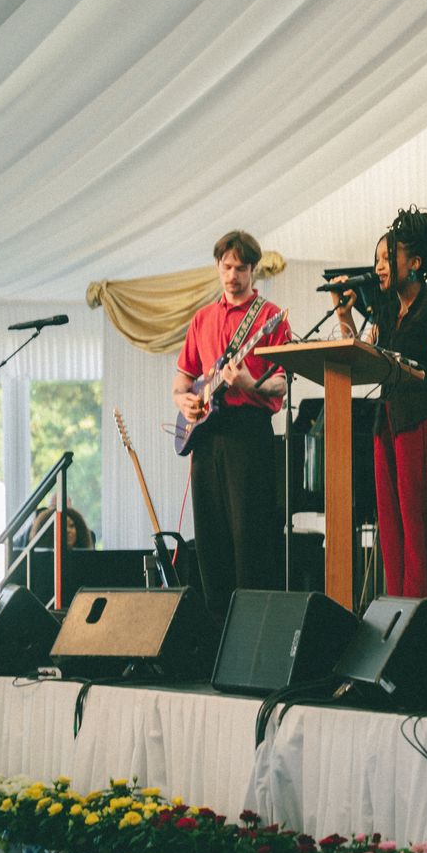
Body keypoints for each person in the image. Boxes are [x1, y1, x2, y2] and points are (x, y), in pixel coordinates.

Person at [330, 207, 427, 624]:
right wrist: (344, 317)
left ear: (413, 263)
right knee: (394, 538)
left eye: (387, 258)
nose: (378, 267)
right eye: (377, 258)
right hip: (390, 427)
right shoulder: (386, 314)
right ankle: (400, 625)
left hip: (425, 429)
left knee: (423, 539)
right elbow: (363, 360)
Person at [174, 230, 293, 618]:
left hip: (249, 432)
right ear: (217, 266)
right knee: (210, 538)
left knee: (250, 536)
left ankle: (253, 628)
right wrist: (184, 401)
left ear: (253, 269)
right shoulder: (202, 318)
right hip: (207, 436)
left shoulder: (270, 317)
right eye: (226, 267)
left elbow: (283, 383)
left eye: (241, 268)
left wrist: (248, 383)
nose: (232, 276)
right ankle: (216, 630)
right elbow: (181, 381)